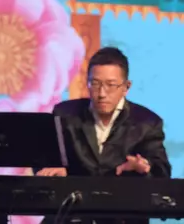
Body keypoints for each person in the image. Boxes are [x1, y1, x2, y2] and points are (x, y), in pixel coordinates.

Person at [36, 46, 171, 179]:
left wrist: (144, 167)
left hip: (124, 198)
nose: (101, 94)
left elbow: (162, 171)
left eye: (111, 85)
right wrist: (53, 168)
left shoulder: (147, 122)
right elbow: (41, 158)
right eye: (95, 84)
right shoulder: (65, 114)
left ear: (126, 87)